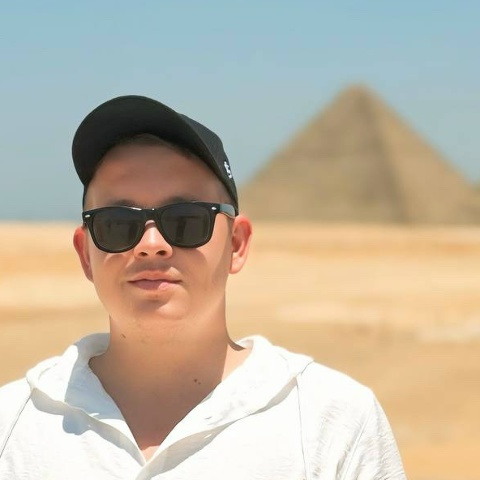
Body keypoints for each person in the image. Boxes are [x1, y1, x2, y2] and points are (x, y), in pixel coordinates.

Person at [0, 95, 406, 479]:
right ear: (85, 254)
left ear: (236, 244)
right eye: (117, 224)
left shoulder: (331, 420)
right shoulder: (13, 426)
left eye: (186, 220)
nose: (152, 245)